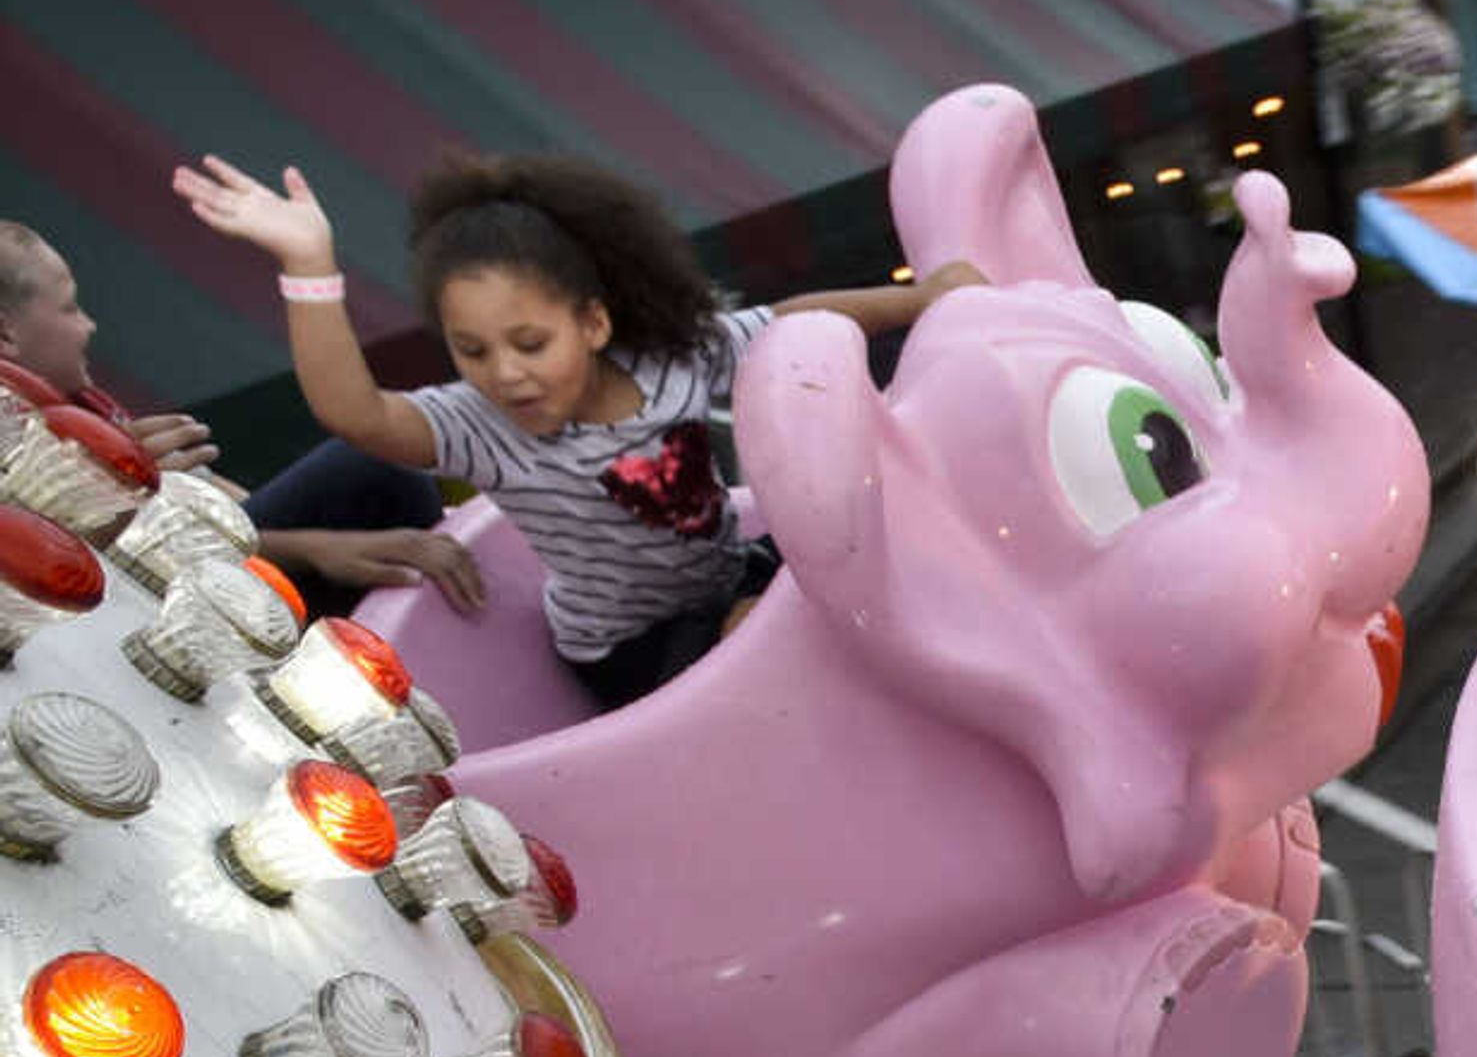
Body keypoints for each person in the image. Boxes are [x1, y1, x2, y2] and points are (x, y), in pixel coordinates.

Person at [174, 150, 975, 709]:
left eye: (530, 344)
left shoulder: (674, 356)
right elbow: (356, 413)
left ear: (593, 322)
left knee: (856, 565)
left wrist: (925, 296)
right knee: (764, 636)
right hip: (633, 646)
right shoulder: (484, 427)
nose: (506, 373)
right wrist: (310, 267)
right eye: (472, 350)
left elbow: (793, 323)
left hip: (730, 575)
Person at [0, 216, 478, 617]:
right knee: (373, 473)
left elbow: (227, 510)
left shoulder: (88, 413)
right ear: (6, 335)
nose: (90, 325)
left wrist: (321, 546)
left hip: (220, 583)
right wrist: (319, 550)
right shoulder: (32, 449)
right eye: (70, 308)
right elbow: (103, 565)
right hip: (157, 615)